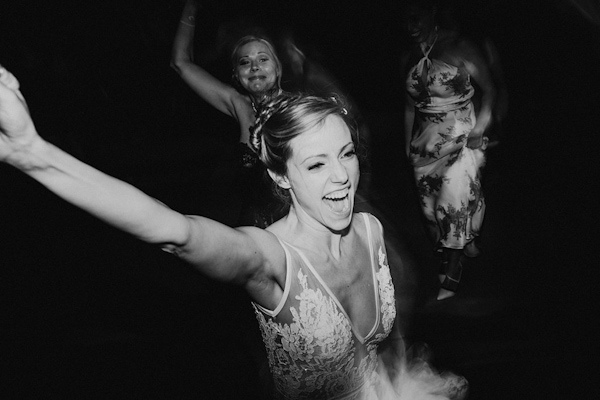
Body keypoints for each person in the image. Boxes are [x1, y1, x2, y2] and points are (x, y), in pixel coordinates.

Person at [0, 65, 470, 399]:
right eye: (316, 163)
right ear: (282, 176)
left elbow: (385, 346)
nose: (342, 176)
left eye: (346, 154)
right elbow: (175, 231)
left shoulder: (368, 229)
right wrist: (33, 154)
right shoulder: (269, 259)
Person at [401, 0, 496, 300]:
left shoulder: (460, 47)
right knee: (431, 210)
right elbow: (409, 106)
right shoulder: (408, 55)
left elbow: (491, 90)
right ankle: (461, 238)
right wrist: (407, 144)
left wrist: (479, 129)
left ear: (432, 13)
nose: (412, 26)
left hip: (460, 135)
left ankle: (453, 270)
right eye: (407, 21)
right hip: (424, 143)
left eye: (417, 18)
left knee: (453, 198)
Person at [171, 0, 286, 228]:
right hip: (252, 227)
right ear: (237, 75)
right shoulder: (239, 105)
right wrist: (191, 7)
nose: (254, 67)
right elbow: (180, 63)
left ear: (278, 67)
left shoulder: (298, 107)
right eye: (245, 62)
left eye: (263, 59)